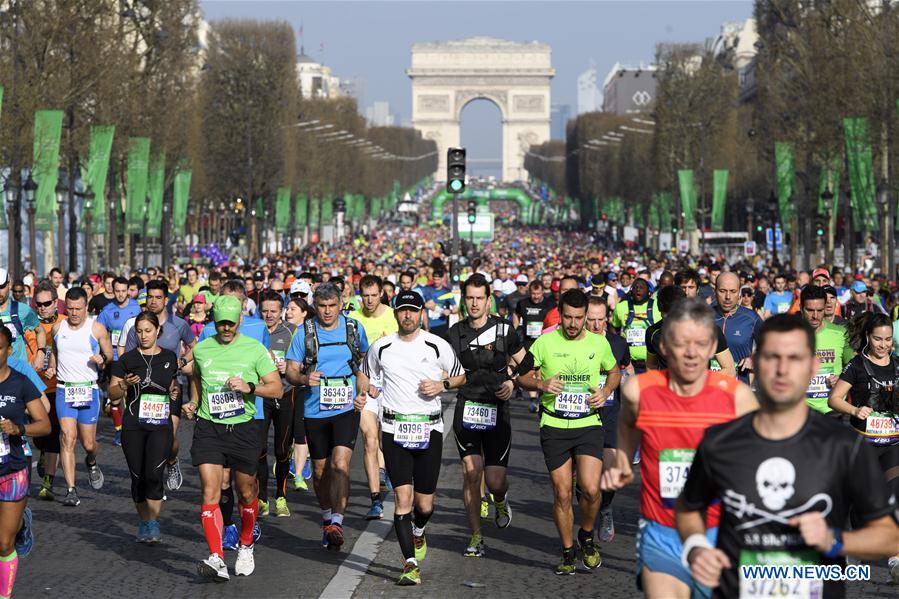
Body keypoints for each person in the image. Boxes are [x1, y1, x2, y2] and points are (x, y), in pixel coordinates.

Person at [676, 314, 899, 597]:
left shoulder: (844, 446)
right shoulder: (720, 441)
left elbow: (887, 535)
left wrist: (834, 540)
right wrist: (696, 545)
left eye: (794, 358)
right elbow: (688, 507)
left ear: (812, 365)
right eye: (771, 357)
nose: (782, 370)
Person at [601, 298, 757, 598]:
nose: (691, 353)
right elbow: (627, 424)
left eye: (700, 343)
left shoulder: (738, 398)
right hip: (660, 530)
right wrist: (622, 460)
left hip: (718, 532)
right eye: (681, 343)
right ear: (664, 346)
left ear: (713, 348)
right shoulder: (639, 391)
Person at [358, 290, 464, 586]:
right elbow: (365, 374)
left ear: (421, 314)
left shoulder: (437, 344)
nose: (408, 316)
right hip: (393, 431)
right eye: (403, 311)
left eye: (413, 311)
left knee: (425, 505)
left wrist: (441, 384)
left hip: (429, 430)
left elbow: (460, 376)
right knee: (402, 499)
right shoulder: (381, 347)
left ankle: (418, 531)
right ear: (396, 314)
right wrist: (364, 391)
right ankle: (410, 564)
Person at [519, 289, 621, 575]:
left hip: (588, 423)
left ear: (586, 316)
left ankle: (586, 536)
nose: (573, 324)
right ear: (560, 314)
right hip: (553, 425)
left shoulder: (599, 343)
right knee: (562, 494)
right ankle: (567, 552)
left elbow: (614, 372)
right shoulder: (544, 342)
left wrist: (606, 391)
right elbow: (521, 376)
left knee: (590, 489)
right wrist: (540, 385)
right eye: (568, 317)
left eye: (579, 318)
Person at [183, 295, 282, 581]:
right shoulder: (202, 349)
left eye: (230, 323)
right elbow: (198, 383)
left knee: (247, 492)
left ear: (240, 320)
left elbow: (276, 389)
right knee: (210, 492)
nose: (225, 328)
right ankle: (216, 557)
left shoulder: (255, 349)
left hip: (243, 429)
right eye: (220, 323)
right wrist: (193, 402)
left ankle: (246, 542)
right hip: (209, 428)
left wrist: (249, 386)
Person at [285, 283, 369, 552]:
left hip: (346, 408)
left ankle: (338, 522)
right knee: (320, 472)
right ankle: (326, 518)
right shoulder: (304, 333)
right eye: (322, 306)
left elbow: (364, 365)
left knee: (341, 464)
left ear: (340, 303)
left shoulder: (354, 329)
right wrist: (304, 378)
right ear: (315, 306)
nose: (328, 311)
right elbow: (290, 372)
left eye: (332, 306)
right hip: (314, 408)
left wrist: (363, 391)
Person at [447, 274, 527, 557]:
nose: (474, 303)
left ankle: (501, 499)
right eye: (469, 297)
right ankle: (475, 536)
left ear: (488, 299)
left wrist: (512, 381)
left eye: (479, 298)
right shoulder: (454, 333)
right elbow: (441, 368)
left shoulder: (505, 330)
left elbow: (527, 363)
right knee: (471, 473)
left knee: (494, 481)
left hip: (497, 411)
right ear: (463, 298)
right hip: (467, 408)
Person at [827, 312, 899, 581]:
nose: (883, 345)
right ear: (868, 337)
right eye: (878, 339)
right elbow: (834, 399)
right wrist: (855, 409)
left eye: (888, 340)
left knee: (894, 492)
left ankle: (895, 558)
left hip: (893, 443)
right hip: (863, 443)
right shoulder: (857, 365)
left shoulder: (898, 365)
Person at [109, 312, 179, 543]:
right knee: (138, 476)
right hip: (134, 424)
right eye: (139, 331)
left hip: (160, 424)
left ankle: (153, 522)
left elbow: (172, 382)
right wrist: (124, 384)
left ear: (158, 331)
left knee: (153, 474)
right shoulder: (126, 360)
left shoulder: (169, 356)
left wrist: (174, 390)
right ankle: (144, 521)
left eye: (148, 330)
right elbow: (113, 394)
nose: (143, 335)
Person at [124, 279, 196, 492]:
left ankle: (171, 462)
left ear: (166, 300)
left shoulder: (179, 324)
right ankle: (152, 479)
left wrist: (182, 362)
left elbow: (194, 345)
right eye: (150, 297)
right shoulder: (137, 326)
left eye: (158, 297)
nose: (153, 301)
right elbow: (127, 358)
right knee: (145, 437)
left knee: (168, 438)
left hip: (169, 389)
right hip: (140, 393)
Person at [50, 287, 114, 506]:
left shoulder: (96, 329)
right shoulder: (58, 328)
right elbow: (56, 354)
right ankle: (71, 490)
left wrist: (102, 359)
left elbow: (110, 354)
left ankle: (92, 461)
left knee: (88, 444)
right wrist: (51, 368)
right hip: (64, 389)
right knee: (68, 438)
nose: (74, 313)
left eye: (78, 308)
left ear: (86, 306)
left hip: (88, 389)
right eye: (70, 309)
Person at [0, 326, 50, 599]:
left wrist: (18, 428)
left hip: (12, 469)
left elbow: (44, 424)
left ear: (8, 350)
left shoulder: (20, 383)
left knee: (4, 542)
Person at [349, 275, 399, 520]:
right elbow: (351, 357)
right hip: (364, 383)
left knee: (384, 439)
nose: (369, 300)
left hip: (390, 386)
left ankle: (389, 467)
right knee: (369, 440)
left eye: (373, 295)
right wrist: (365, 382)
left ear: (381, 293)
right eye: (365, 295)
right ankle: (375, 500)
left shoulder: (394, 315)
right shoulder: (353, 319)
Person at [584, 295, 633, 543]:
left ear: (607, 319)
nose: (595, 325)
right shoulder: (576, 343)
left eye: (600, 320)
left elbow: (628, 368)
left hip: (612, 415)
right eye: (590, 320)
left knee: (612, 470)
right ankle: (587, 524)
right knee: (586, 483)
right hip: (583, 415)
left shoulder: (619, 343)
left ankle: (606, 508)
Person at [256, 290, 297, 518]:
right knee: (259, 448)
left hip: (285, 394)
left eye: (273, 311)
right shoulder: (253, 332)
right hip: (261, 396)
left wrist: (288, 368)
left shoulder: (292, 332)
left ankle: (281, 496)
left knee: (281, 449)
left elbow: (303, 363)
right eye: (265, 311)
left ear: (282, 312)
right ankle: (262, 498)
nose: (269, 315)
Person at [646, 286, 735, 377]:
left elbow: (729, 369)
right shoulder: (653, 333)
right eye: (667, 317)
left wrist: (698, 384)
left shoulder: (710, 330)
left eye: (677, 316)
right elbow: (651, 366)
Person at [97, 276, 142, 446]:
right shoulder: (107, 311)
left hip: (134, 356)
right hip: (116, 358)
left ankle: (134, 427)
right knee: (115, 395)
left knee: (133, 394)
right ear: (112, 290)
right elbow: (98, 334)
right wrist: (101, 354)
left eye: (124, 291)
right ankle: (119, 430)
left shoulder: (136, 307)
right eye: (118, 291)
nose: (121, 294)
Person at [31, 283, 64, 501]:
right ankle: (41, 452)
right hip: (33, 387)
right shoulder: (29, 325)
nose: (42, 308)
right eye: (38, 304)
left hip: (57, 387)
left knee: (54, 434)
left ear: (55, 302)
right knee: (39, 438)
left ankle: (48, 484)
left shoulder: (65, 323)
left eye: (47, 304)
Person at [798, 285, 854, 415]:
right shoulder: (789, 335)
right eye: (810, 310)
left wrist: (841, 378)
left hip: (834, 410)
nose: (815, 316)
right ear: (801, 308)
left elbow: (853, 367)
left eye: (820, 310)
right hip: (802, 411)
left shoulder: (840, 333)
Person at [513, 280, 556, 412]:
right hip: (528, 341)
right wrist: (515, 329)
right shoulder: (523, 303)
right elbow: (516, 314)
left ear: (543, 292)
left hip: (544, 341)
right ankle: (533, 400)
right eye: (533, 293)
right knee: (529, 370)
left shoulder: (549, 304)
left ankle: (540, 397)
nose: (536, 296)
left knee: (541, 372)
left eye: (538, 293)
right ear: (529, 292)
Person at [712, 272, 761, 384]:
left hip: (738, 390)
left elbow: (771, 346)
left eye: (733, 291)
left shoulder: (751, 318)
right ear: (715, 291)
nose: (728, 297)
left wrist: (754, 359)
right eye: (722, 291)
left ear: (739, 292)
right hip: (709, 390)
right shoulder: (703, 316)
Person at [285, 296, 312, 491]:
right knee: (285, 435)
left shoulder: (309, 333)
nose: (288, 312)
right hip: (281, 388)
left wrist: (300, 367)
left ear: (304, 313)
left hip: (302, 387)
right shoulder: (281, 331)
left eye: (293, 309)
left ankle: (300, 471)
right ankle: (285, 459)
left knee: (300, 431)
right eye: (287, 308)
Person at [0, 268, 47, 372]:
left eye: (1, 287)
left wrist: (40, 354)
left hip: (18, 372)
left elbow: (40, 331)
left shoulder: (23, 310)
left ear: (9, 284)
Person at [611, 278, 661, 374]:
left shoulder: (657, 306)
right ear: (631, 291)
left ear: (649, 292)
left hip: (652, 365)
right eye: (635, 287)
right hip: (628, 366)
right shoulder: (621, 307)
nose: (638, 289)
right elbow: (613, 328)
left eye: (642, 287)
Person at [421, 268, 456, 339]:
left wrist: (450, 311)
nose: (436, 281)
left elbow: (456, 308)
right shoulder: (427, 289)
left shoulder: (447, 292)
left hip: (442, 325)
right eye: (434, 279)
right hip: (428, 325)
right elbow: (426, 304)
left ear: (442, 279)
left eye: (438, 279)